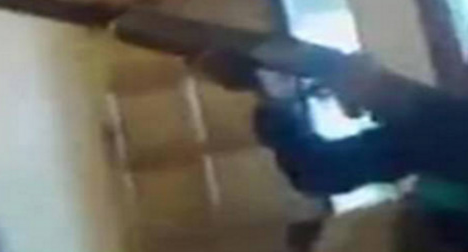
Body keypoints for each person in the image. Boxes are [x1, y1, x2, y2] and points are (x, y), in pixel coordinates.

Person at [193, 48, 468, 251]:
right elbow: (320, 170)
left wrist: (380, 91)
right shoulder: (438, 128)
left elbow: (320, 171)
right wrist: (280, 103)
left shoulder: (443, 128)